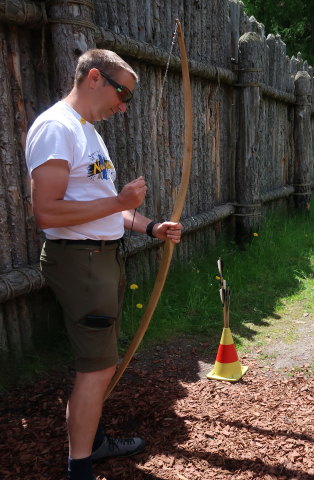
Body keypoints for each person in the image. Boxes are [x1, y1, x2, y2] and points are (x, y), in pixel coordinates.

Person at [25, 49, 183, 480]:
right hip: (80, 262)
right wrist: (119, 201)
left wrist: (151, 227)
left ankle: (90, 443)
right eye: (123, 92)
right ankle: (80, 469)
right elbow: (47, 213)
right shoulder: (57, 129)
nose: (124, 104)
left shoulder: (87, 132)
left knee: (99, 365)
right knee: (96, 368)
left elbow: (103, 209)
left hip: (99, 260)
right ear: (94, 77)